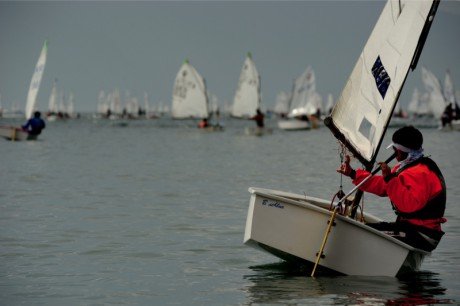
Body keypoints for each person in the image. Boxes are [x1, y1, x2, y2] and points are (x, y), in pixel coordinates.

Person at [337, 126, 446, 252]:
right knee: (362, 228)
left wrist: (389, 179)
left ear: (400, 151)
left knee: (359, 232)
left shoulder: (420, 173)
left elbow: (409, 205)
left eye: (395, 149)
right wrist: (353, 174)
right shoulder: (407, 167)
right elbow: (383, 187)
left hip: (422, 234)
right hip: (411, 228)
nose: (394, 153)